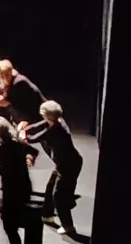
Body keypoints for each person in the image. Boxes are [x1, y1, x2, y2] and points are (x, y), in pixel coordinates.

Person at [19, 100, 83, 236]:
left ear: (45, 115)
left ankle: (68, 226)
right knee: (50, 188)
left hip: (68, 166)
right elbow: (39, 125)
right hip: (65, 163)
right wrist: (26, 129)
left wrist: (23, 133)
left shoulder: (55, 131)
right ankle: (47, 215)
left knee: (59, 196)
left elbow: (32, 138)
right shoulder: (57, 120)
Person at [0, 59, 46, 125]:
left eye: (7, 75)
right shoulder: (5, 78)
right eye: (1, 76)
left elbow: (2, 102)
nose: (5, 79)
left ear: (11, 71)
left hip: (37, 117)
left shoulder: (19, 82)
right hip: (24, 116)